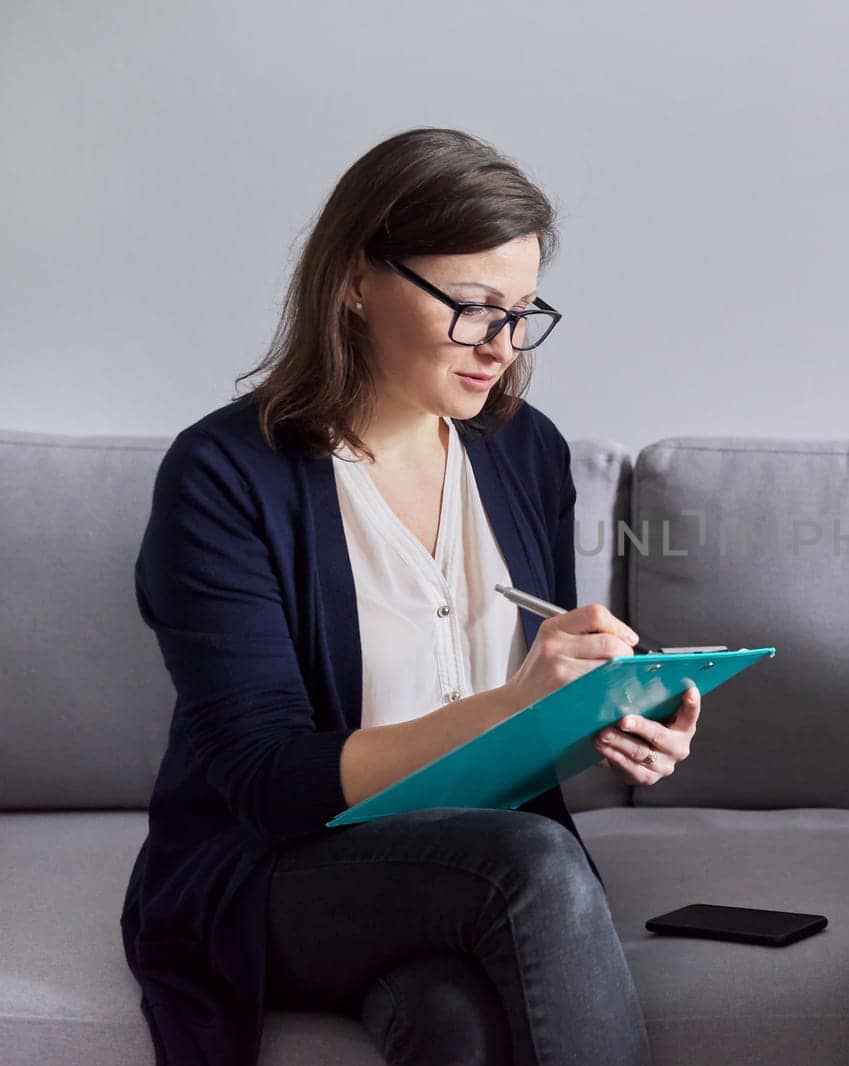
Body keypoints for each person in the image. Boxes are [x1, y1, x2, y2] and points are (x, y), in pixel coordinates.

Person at [120, 127, 687, 1066]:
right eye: (472, 309)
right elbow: (263, 779)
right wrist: (517, 705)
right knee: (532, 862)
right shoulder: (224, 475)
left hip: (460, 864)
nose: (501, 347)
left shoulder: (523, 450)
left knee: (453, 1025)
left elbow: (534, 698)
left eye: (521, 312)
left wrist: (617, 711)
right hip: (282, 866)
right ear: (354, 279)